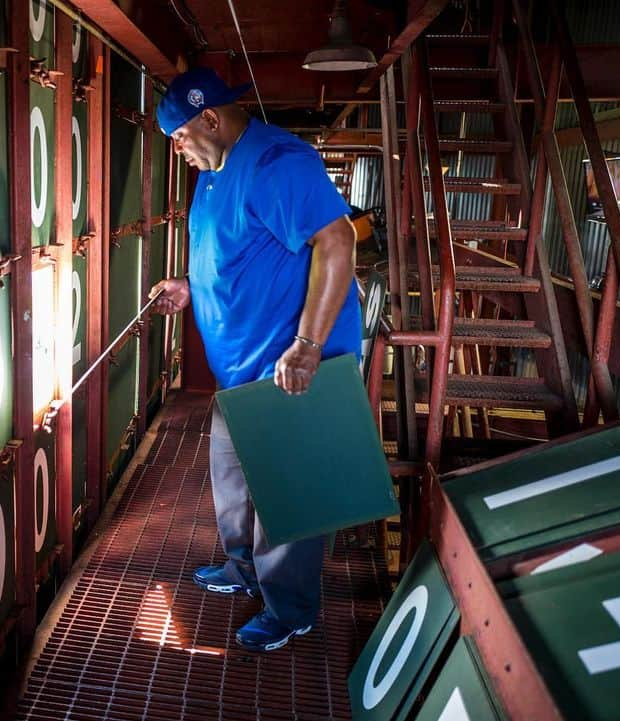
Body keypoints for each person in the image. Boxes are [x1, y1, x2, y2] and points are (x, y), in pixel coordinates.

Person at [149, 67, 360, 652]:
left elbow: (338, 241)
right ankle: (242, 569)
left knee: (288, 495)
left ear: (210, 118)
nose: (180, 149)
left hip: (290, 364)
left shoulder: (277, 162)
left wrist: (309, 345)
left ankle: (290, 608)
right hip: (240, 368)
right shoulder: (214, 171)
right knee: (233, 477)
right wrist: (190, 288)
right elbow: (237, 249)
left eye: (181, 136)